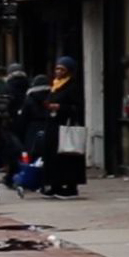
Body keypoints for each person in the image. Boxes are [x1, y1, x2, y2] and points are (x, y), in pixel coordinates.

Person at [41, 56, 86, 198]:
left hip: (65, 126)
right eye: (57, 68)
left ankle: (70, 186)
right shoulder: (55, 85)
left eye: (62, 69)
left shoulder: (72, 86)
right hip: (53, 126)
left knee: (66, 156)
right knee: (53, 156)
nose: (58, 72)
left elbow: (77, 107)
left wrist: (60, 107)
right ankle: (55, 184)